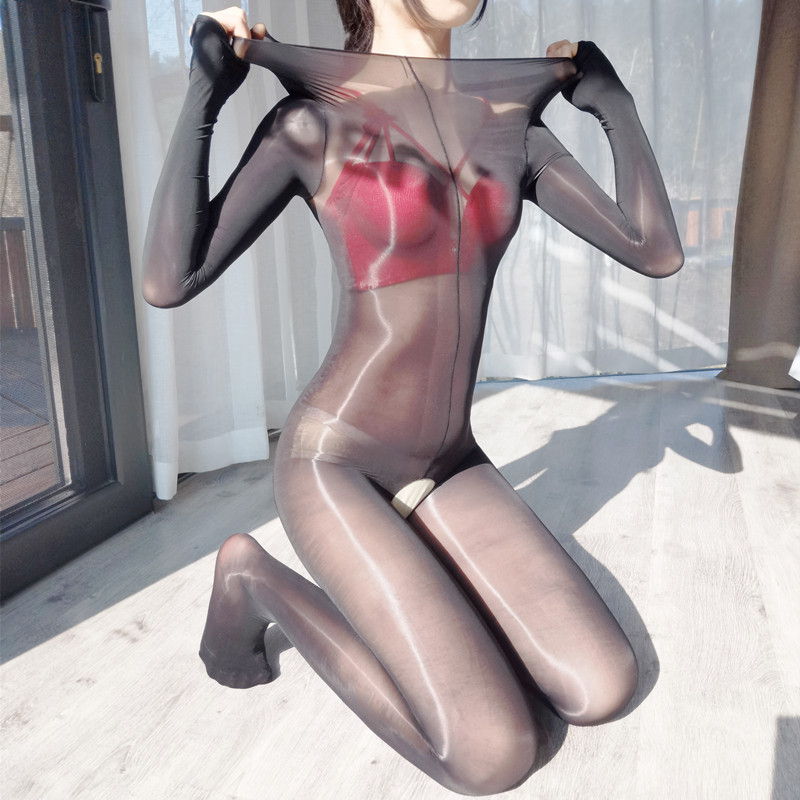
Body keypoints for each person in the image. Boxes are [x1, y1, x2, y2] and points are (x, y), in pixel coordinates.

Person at [143, 1, 684, 794]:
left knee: (603, 687)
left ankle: (420, 560)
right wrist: (206, 93)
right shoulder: (313, 123)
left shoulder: (508, 126)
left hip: (450, 461)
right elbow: (170, 279)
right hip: (337, 462)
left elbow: (655, 251)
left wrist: (612, 103)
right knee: (495, 754)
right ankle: (251, 579)